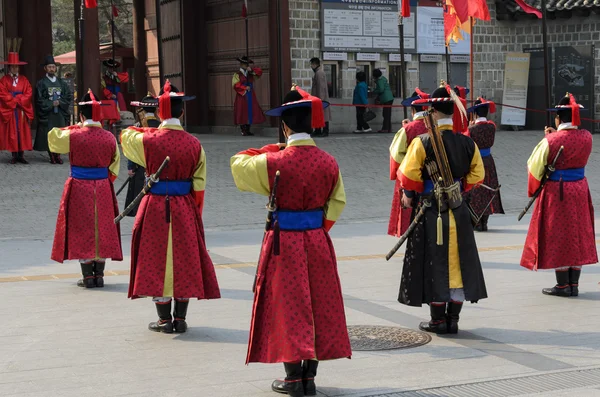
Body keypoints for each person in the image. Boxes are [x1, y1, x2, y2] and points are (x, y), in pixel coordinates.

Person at [231, 87, 351, 397]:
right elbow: (337, 203)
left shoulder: (273, 162)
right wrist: (315, 228)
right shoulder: (330, 162)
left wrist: (271, 148)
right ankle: (310, 376)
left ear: (285, 127)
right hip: (316, 239)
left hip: (284, 242)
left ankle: (293, 377)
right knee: (318, 303)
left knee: (288, 304)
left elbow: (237, 164)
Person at [120, 81, 221, 333]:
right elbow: (199, 184)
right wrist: (195, 212)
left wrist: (149, 128)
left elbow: (126, 135)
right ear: (182, 113)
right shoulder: (195, 144)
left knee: (155, 259)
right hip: (184, 205)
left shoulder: (147, 141)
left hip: (154, 205)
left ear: (158, 114)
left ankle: (164, 320)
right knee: (185, 257)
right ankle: (181, 318)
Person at [397, 82, 486, 335]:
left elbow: (409, 175)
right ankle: (453, 319)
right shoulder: (467, 143)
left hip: (430, 208)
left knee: (435, 260)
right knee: (458, 260)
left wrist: (409, 195)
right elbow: (477, 174)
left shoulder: (422, 141)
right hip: (457, 208)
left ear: (434, 113)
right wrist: (458, 188)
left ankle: (437, 320)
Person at [521, 94, 597, 296]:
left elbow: (535, 168)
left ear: (558, 118)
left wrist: (533, 190)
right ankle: (574, 284)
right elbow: (572, 143)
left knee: (560, 235)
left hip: (558, 191)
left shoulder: (551, 141)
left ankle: (562, 285)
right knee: (578, 233)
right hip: (580, 189)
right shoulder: (587, 137)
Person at [49, 90, 122, 288]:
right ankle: (99, 274)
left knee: (82, 227)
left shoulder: (73, 135)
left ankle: (88, 276)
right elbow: (115, 164)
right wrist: (107, 180)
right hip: (103, 185)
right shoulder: (109, 138)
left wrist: (74, 127)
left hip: (79, 186)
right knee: (103, 227)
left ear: (81, 115)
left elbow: (53, 139)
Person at [388, 88, 430, 237]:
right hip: (432, 177)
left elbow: (396, 155)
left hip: (410, 178)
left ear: (412, 110)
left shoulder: (408, 129)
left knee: (409, 216)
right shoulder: (435, 127)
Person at [465, 98, 504, 231]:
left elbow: (467, 144)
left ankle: (476, 221)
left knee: (475, 189)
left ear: (475, 113)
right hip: (488, 160)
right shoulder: (491, 126)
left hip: (476, 162)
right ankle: (485, 221)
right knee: (488, 188)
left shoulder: (471, 129)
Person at [124, 94, 161, 217]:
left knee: (140, 200)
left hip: (139, 167)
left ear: (142, 110)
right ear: (156, 110)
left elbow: (131, 148)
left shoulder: (137, 127)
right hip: (158, 168)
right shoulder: (161, 126)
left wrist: (130, 167)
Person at [34, 55, 73, 164]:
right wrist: (51, 103)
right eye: (49, 67)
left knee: (59, 133)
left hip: (59, 113)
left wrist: (60, 102)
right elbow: (39, 99)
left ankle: (58, 155)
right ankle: (51, 155)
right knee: (49, 134)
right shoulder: (41, 83)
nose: (52, 69)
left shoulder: (61, 83)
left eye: (53, 67)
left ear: (55, 68)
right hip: (48, 113)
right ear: (45, 68)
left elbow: (67, 96)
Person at [0, 42, 34, 164]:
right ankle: (14, 154)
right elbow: (2, 94)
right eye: (13, 67)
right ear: (9, 68)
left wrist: (19, 100)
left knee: (22, 131)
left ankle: (21, 154)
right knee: (12, 132)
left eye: (17, 67)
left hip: (21, 110)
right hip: (11, 110)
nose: (15, 69)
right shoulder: (4, 80)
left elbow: (28, 93)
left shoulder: (24, 80)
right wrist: (15, 100)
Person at [232, 56, 266, 136]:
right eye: (244, 64)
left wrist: (251, 70)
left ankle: (248, 129)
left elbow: (259, 72)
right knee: (242, 110)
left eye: (247, 64)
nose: (246, 66)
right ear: (241, 64)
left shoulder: (250, 73)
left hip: (250, 94)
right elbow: (235, 85)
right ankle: (243, 129)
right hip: (242, 95)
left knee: (250, 110)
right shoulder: (237, 74)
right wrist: (244, 87)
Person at [309, 57, 330, 137]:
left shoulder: (319, 73)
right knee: (318, 115)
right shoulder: (318, 72)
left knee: (324, 115)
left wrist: (321, 99)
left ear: (315, 64)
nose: (311, 66)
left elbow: (321, 87)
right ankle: (317, 130)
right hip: (317, 98)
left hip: (321, 99)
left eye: (312, 64)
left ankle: (325, 131)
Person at [372, 68, 394, 133]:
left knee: (386, 114)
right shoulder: (383, 78)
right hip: (389, 98)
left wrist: (374, 91)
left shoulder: (380, 80)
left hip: (386, 98)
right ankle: (388, 128)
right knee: (387, 114)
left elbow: (381, 89)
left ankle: (385, 128)